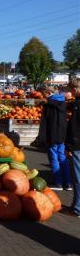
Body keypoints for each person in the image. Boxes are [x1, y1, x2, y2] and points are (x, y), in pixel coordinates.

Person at [39, 86, 72, 190]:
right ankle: (68, 183)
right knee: (62, 157)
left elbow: (46, 123)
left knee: (54, 157)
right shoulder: (62, 103)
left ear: (48, 93)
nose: (42, 96)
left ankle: (58, 182)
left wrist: (43, 137)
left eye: (43, 93)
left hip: (52, 135)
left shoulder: (49, 105)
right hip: (61, 135)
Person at [66, 79, 80, 216]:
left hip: (77, 146)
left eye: (71, 90)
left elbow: (74, 129)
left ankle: (77, 208)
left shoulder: (77, 105)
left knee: (77, 177)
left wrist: (69, 146)